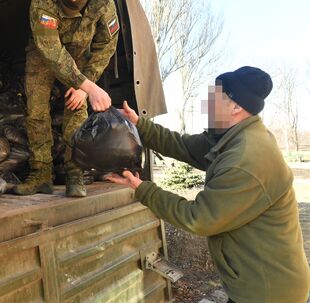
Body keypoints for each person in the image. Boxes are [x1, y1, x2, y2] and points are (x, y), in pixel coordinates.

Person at [107, 66, 310, 303]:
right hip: (255, 282)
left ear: (235, 106)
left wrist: (144, 190)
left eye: (214, 98)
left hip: (267, 292)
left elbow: (199, 218)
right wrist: (140, 125)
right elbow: (182, 145)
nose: (207, 104)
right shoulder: (233, 138)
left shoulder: (245, 158)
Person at [12, 0, 119, 197]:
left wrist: (85, 83)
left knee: (76, 111)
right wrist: (89, 86)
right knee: (36, 111)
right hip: (43, 56)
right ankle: (41, 174)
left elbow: (107, 45)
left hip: (81, 58)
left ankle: (75, 174)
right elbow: (50, 50)